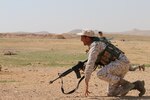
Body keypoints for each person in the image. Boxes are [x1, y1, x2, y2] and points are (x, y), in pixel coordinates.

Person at [77, 30, 145, 97]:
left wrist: (86, 84)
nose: (81, 40)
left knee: (100, 73)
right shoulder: (97, 44)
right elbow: (93, 62)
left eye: (82, 37)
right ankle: (137, 85)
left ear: (87, 38)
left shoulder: (95, 46)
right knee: (111, 93)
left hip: (121, 64)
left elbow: (90, 64)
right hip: (118, 66)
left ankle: (126, 84)